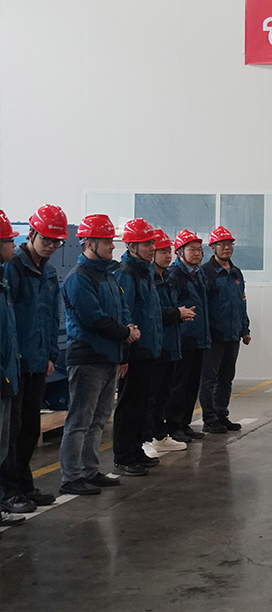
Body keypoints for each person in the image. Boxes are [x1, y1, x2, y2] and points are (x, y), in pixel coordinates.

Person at [59, 214, 140, 496]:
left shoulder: (107, 275)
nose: (112, 246)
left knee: (98, 418)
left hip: (108, 357)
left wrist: (126, 332)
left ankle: (90, 470)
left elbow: (121, 309)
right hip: (88, 357)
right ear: (89, 243)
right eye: (107, 241)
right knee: (80, 420)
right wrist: (125, 333)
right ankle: (71, 476)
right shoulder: (79, 278)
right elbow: (93, 318)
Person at [0, 205, 66, 514]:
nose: (51, 246)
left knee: (29, 428)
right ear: (31, 234)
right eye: (47, 240)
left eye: (57, 241)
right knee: (11, 432)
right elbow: (10, 321)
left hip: (39, 361)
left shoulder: (49, 272)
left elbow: (52, 317)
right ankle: (10, 491)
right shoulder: (12, 269)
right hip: (17, 364)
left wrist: (51, 354)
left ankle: (25, 485)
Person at [112, 219, 165, 476]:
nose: (152, 248)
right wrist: (124, 355)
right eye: (146, 244)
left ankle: (135, 450)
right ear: (131, 246)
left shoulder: (146, 272)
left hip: (148, 350)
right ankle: (123, 456)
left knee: (142, 404)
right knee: (129, 405)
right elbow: (126, 314)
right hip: (134, 352)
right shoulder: (126, 273)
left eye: (152, 243)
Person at [146, 229, 193, 456]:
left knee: (163, 395)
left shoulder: (166, 278)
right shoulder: (148, 279)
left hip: (170, 344)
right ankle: (147, 438)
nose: (167, 255)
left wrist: (178, 314)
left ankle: (159, 435)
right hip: (155, 346)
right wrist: (176, 313)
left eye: (168, 251)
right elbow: (151, 312)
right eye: (161, 251)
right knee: (151, 397)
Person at [200, 226, 250, 434]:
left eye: (229, 244)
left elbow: (241, 302)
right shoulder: (206, 272)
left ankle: (222, 415)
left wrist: (244, 329)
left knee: (226, 377)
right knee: (209, 379)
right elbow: (202, 306)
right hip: (214, 336)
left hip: (233, 335)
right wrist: (205, 333)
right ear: (213, 247)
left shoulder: (236, 272)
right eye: (222, 244)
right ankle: (209, 419)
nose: (227, 248)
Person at [165, 230, 210, 443]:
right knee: (178, 385)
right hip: (182, 339)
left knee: (192, 385)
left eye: (199, 250)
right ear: (180, 251)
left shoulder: (198, 274)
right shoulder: (174, 275)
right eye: (192, 249)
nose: (197, 253)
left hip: (198, 338)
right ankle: (173, 426)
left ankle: (185, 423)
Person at [0, 210, 26, 528]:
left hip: (8, 375)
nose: (14, 246)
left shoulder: (3, 281)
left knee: (3, 445)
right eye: (8, 240)